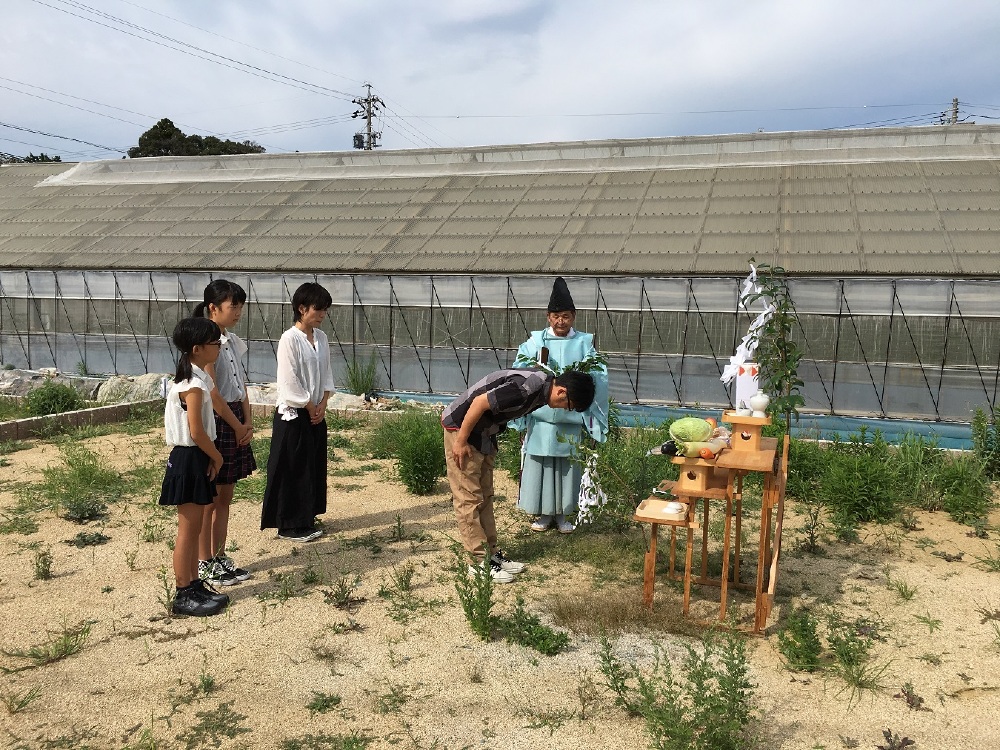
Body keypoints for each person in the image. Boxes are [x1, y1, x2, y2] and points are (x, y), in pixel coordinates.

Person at [442, 368, 596, 582]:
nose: (566, 411)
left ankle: (492, 556)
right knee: (468, 499)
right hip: (463, 429)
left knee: (485, 497)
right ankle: (478, 563)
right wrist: (460, 442)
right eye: (568, 406)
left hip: (485, 432)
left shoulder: (542, 390)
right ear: (562, 392)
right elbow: (479, 403)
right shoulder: (526, 389)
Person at [512, 277, 609, 534]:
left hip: (571, 417)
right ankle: (543, 514)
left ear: (573, 317)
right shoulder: (534, 343)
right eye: (555, 316)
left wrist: (587, 408)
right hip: (541, 415)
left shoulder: (585, 344)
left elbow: (598, 376)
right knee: (541, 463)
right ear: (548, 317)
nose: (560, 321)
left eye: (565, 316)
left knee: (568, 464)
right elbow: (520, 371)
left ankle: (565, 514)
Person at [158, 317, 230, 617]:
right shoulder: (193, 386)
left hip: (195, 457)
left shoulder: (197, 380)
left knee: (197, 524)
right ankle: (182, 592)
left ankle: (194, 584)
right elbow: (197, 432)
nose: (219, 348)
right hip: (189, 458)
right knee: (187, 530)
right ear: (198, 349)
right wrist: (218, 457)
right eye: (215, 344)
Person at [193, 280, 256, 586]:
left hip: (235, 421)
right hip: (217, 424)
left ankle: (218, 556)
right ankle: (204, 561)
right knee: (209, 497)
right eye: (233, 306)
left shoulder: (231, 340)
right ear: (213, 308)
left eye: (241, 306)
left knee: (225, 496)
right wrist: (237, 424)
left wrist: (248, 421)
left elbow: (241, 385)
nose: (238, 312)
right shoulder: (206, 341)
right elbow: (214, 394)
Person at [260, 282, 334, 542]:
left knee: (311, 466)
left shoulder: (321, 338)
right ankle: (288, 523)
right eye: (318, 309)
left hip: (315, 412)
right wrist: (308, 404)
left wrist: (323, 402)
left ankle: (306, 516)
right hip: (294, 412)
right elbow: (288, 378)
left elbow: (326, 373)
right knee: (291, 467)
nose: (322, 314)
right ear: (301, 308)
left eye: (325, 309)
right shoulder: (289, 339)